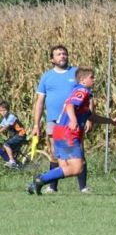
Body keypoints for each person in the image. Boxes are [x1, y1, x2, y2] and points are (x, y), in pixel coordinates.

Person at [27, 68, 116, 195]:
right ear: (83, 80)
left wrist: (111, 121)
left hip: (60, 131)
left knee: (65, 167)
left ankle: (36, 183)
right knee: (78, 167)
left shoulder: (82, 92)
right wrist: (73, 120)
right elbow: (69, 105)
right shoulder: (82, 90)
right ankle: (40, 180)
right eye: (92, 77)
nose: (94, 80)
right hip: (68, 133)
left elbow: (91, 116)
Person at [33, 45, 91, 193]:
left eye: (64, 53)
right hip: (54, 120)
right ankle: (52, 186)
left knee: (79, 151)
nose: (62, 56)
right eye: (58, 54)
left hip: (74, 121)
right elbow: (40, 101)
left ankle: (83, 187)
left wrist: (89, 118)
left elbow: (88, 99)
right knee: (55, 154)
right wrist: (36, 124)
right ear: (52, 59)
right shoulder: (46, 76)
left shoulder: (76, 73)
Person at [0, 101, 27, 168]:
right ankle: (18, 166)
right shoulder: (4, 119)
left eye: (4, 110)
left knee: (6, 144)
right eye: (0, 110)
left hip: (21, 135)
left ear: (8, 110)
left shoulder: (11, 116)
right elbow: (1, 126)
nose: (2, 112)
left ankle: (12, 161)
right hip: (16, 136)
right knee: (3, 149)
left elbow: (6, 126)